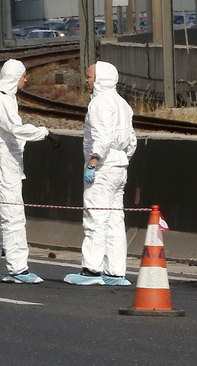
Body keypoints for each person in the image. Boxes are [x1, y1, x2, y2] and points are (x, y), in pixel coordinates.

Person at [0, 59, 59, 284]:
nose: (26, 79)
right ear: (14, 77)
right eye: (23, 75)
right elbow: (14, 128)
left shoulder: (3, 97)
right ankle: (18, 268)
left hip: (6, 160)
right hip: (2, 161)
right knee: (12, 215)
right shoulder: (0, 99)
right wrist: (43, 133)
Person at [65, 61, 137, 286]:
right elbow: (132, 140)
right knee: (115, 220)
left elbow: (102, 137)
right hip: (120, 166)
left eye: (89, 77)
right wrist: (122, 159)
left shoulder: (99, 104)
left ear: (100, 79)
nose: (86, 81)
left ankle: (91, 270)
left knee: (95, 217)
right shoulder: (123, 104)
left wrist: (92, 162)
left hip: (103, 167)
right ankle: (116, 272)